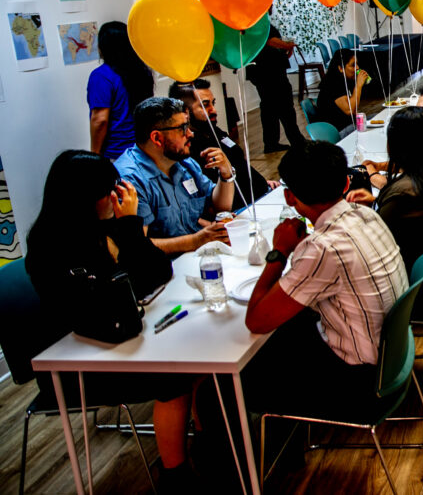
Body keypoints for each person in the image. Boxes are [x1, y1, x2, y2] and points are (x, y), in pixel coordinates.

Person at [26, 151, 197, 487]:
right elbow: (105, 297)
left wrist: (129, 227)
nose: (120, 194)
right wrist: (127, 230)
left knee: (198, 362)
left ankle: (208, 442)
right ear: (85, 196)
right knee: (176, 377)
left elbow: (157, 275)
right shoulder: (52, 244)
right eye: (111, 189)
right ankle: (176, 478)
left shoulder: (102, 225)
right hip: (78, 359)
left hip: (113, 335)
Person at [240, 140, 409, 415]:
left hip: (360, 382)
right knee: (288, 328)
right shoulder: (365, 213)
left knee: (226, 384)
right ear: (345, 184)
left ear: (289, 197)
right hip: (392, 355)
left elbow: (256, 320)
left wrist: (280, 251)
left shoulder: (322, 248)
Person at [347, 107, 423, 311]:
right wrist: (377, 205)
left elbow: (371, 242)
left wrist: (363, 211)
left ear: (397, 146)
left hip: (421, 292)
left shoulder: (404, 194)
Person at [115, 97, 235, 254]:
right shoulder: (130, 179)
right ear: (157, 138)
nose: (190, 134)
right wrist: (196, 240)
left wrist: (226, 174)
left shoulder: (183, 163)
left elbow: (219, 208)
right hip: (164, 266)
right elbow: (138, 245)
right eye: (183, 128)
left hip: (198, 254)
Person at [169, 79, 279, 210]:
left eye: (213, 103)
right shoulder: (187, 148)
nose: (214, 110)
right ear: (185, 112)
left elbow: (239, 163)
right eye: (205, 105)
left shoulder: (214, 131)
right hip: (243, 209)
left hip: (264, 194)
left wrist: (260, 182)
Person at [87, 21, 153, 160]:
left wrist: (94, 155)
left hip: (117, 152)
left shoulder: (102, 75)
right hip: (145, 148)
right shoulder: (141, 72)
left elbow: (100, 120)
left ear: (102, 47)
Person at [246, 17, 304, 153]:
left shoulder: (260, 24)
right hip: (268, 73)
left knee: (270, 109)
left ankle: (272, 143)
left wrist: (285, 50)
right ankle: (296, 141)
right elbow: (270, 41)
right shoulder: (258, 24)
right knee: (284, 107)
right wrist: (287, 45)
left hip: (268, 71)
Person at [317, 47, 368, 134]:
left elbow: (355, 110)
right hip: (338, 131)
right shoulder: (332, 83)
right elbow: (350, 110)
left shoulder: (346, 80)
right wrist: (358, 85)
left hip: (349, 124)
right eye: (353, 65)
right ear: (340, 68)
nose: (357, 68)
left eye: (357, 64)